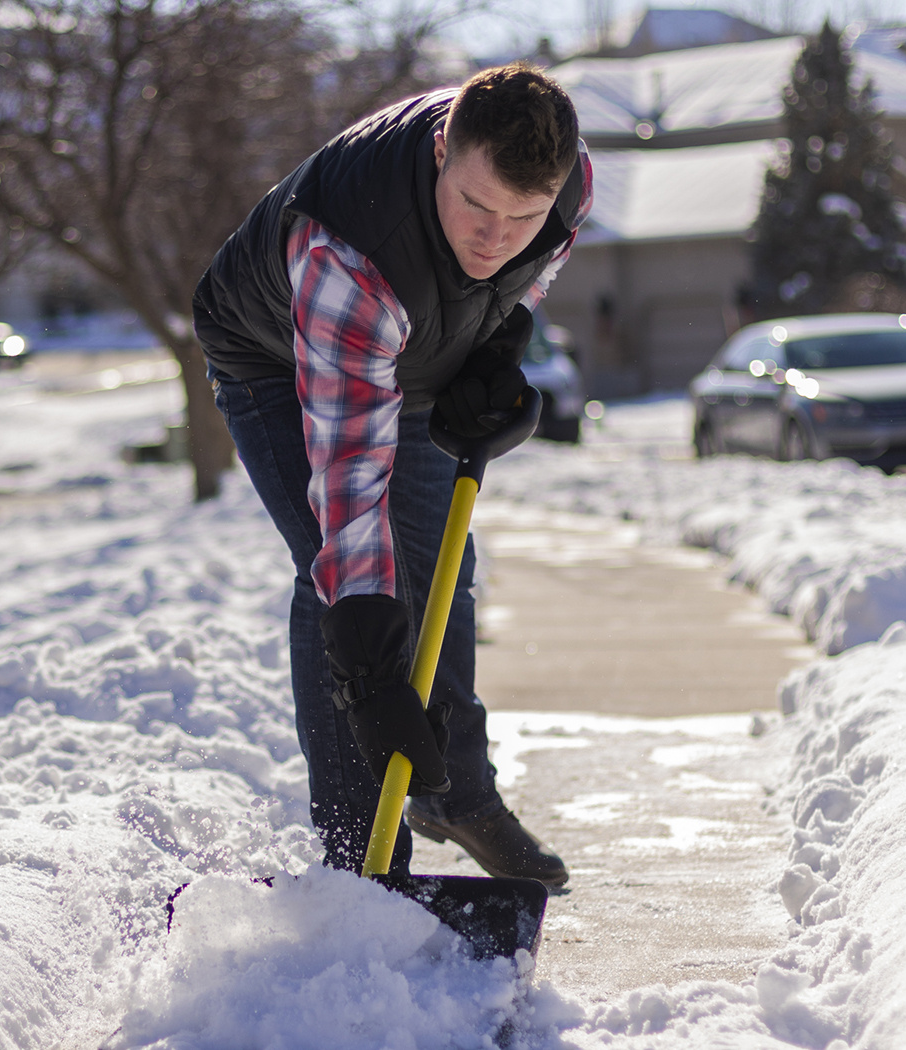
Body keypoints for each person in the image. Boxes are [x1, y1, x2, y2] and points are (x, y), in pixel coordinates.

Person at [193, 62, 592, 885]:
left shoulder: (570, 188)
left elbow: (527, 276)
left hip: (404, 344)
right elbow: (350, 489)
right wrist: (372, 675)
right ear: (442, 145)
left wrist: (494, 346)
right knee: (347, 586)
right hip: (275, 355)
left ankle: (457, 794)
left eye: (523, 216)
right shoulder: (350, 248)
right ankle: (358, 860)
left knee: (446, 560)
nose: (495, 237)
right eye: (476, 205)